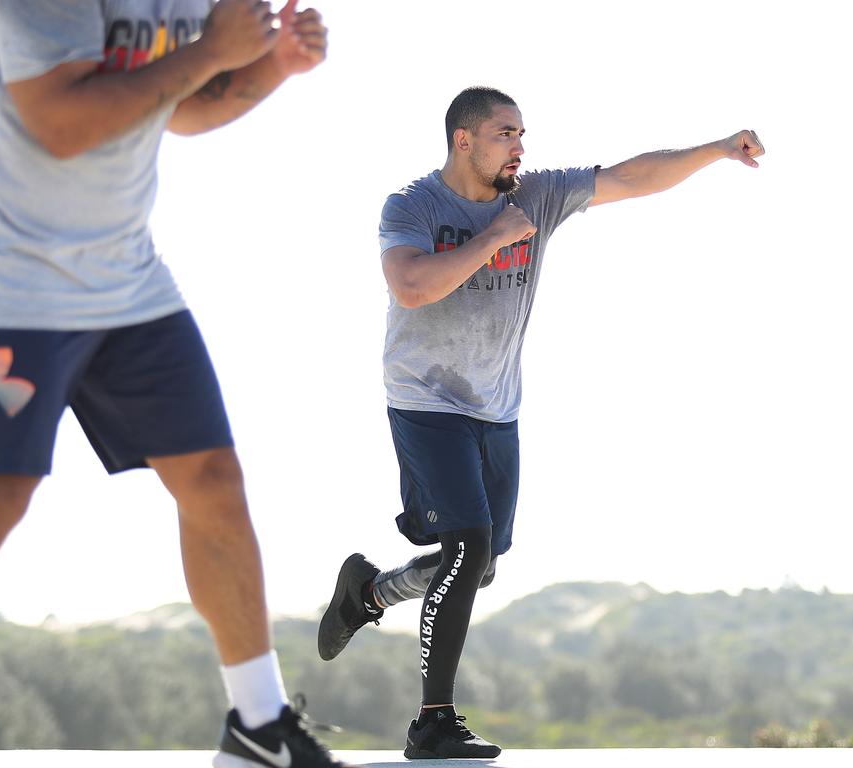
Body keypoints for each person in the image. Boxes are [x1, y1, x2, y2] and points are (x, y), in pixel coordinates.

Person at [0, 2, 353, 767]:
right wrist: (214, 49)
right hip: (16, 280)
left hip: (127, 281)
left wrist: (269, 68)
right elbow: (62, 122)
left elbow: (172, 108)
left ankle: (258, 725)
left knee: (213, 478)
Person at [318, 85, 765, 759]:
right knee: (467, 549)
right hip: (426, 400)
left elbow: (628, 177)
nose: (520, 147)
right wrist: (496, 235)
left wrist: (714, 150)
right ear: (463, 139)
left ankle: (371, 594)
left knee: (479, 564)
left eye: (522, 134)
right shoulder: (411, 206)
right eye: (506, 134)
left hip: (498, 407)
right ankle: (432, 724)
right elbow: (411, 285)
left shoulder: (538, 195)